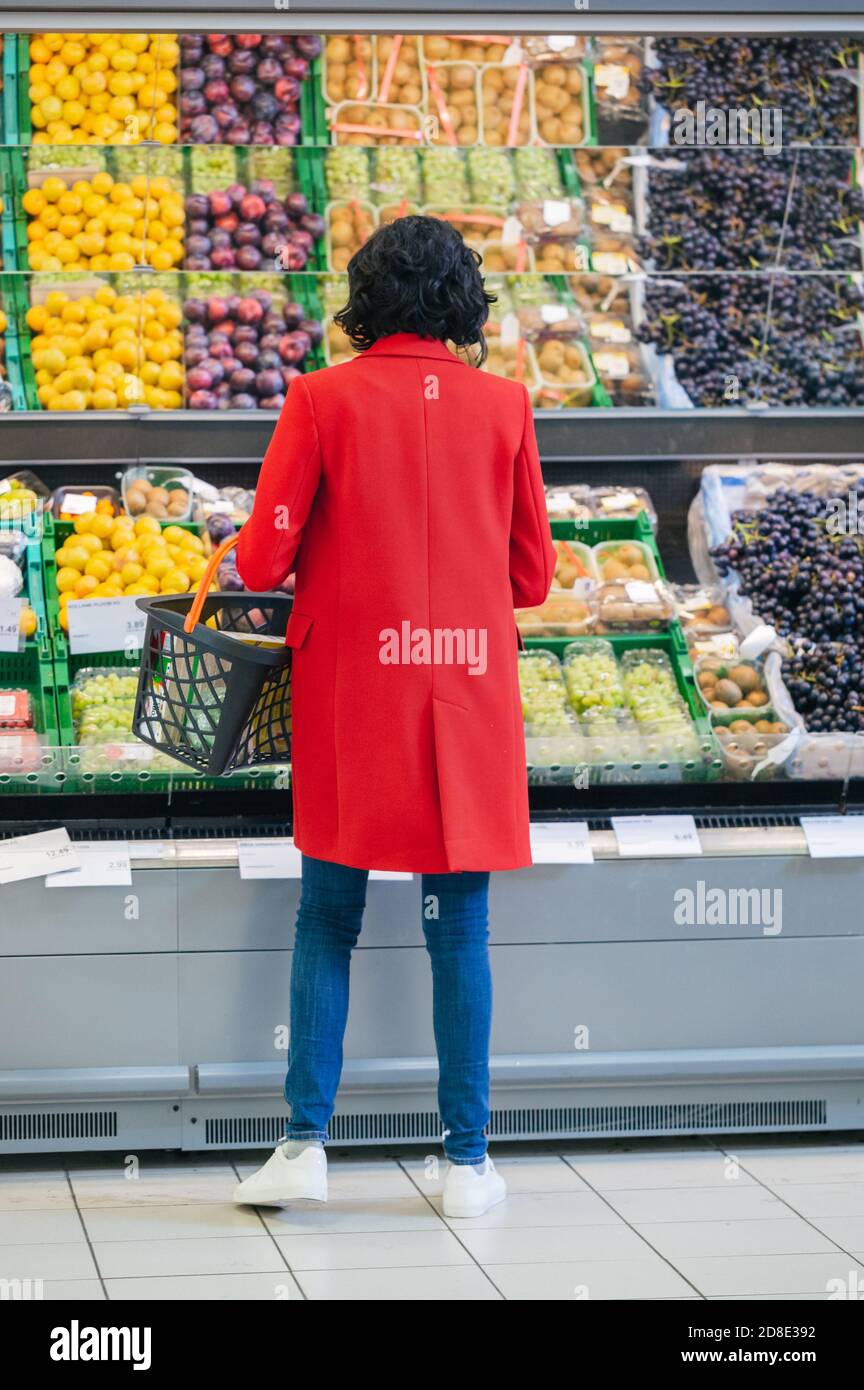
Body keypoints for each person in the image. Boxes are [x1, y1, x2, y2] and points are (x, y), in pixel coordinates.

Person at [233, 216, 554, 1218]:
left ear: (363, 298)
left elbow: (259, 563)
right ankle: (466, 1162)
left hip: (352, 692)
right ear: (462, 300)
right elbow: (534, 575)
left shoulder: (318, 399)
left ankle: (302, 1145)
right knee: (458, 922)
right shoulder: (505, 406)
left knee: (327, 914)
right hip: (462, 689)